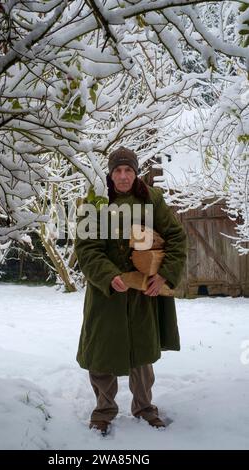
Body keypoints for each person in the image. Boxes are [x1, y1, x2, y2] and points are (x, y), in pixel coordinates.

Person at [75, 147, 187, 436]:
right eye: (117, 171)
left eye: (128, 170)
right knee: (102, 353)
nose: (123, 176)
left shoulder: (152, 198)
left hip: (142, 291)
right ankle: (103, 411)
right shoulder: (96, 202)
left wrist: (163, 275)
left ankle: (145, 408)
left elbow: (176, 237)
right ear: (110, 174)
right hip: (107, 293)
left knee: (142, 352)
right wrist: (109, 275)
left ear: (135, 172)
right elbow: (87, 249)